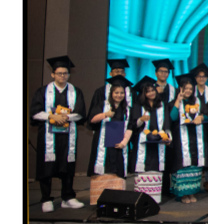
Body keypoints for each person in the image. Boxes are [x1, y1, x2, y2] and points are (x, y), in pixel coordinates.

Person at [31, 56, 87, 212]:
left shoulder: (75, 91)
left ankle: (67, 197)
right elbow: (35, 112)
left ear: (69, 74)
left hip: (68, 136)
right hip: (48, 136)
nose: (62, 76)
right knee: (46, 166)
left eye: (65, 73)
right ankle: (46, 198)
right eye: (59, 73)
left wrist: (64, 118)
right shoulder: (43, 91)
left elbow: (80, 113)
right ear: (53, 74)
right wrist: (52, 117)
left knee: (67, 166)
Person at [87, 76, 134, 205]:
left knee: (117, 172)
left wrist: (124, 142)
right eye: (116, 92)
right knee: (102, 171)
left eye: (121, 93)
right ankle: (100, 201)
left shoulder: (127, 109)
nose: (119, 95)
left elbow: (130, 127)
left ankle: (116, 201)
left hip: (119, 145)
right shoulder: (102, 105)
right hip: (102, 145)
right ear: (111, 93)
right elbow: (92, 120)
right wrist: (105, 115)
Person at [166, 74, 208, 203]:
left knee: (194, 166)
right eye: (186, 88)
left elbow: (207, 116)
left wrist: (201, 117)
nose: (188, 91)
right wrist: (178, 101)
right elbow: (172, 118)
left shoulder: (197, 102)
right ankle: (183, 194)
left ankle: (192, 192)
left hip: (195, 137)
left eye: (190, 89)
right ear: (181, 89)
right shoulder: (173, 103)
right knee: (182, 165)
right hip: (180, 139)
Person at [129, 76, 172, 204]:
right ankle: (142, 196)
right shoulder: (138, 106)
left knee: (157, 167)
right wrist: (141, 120)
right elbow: (133, 125)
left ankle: (155, 196)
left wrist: (168, 136)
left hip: (158, 141)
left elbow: (167, 122)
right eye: (148, 91)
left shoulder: (162, 105)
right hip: (143, 141)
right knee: (144, 167)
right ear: (143, 94)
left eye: (152, 90)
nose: (151, 93)